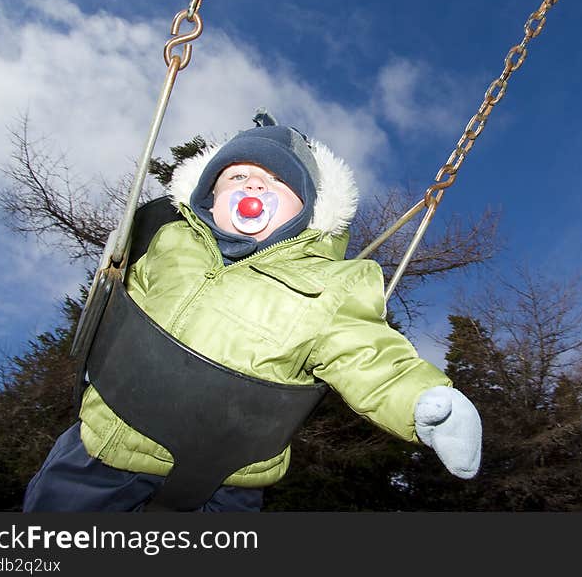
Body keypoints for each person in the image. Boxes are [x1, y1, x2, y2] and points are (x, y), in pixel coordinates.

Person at [24, 114, 482, 512]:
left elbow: (367, 354)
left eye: (277, 182)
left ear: (308, 213)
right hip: (102, 450)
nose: (254, 186)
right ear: (208, 197)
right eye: (237, 178)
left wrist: (422, 402)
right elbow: (128, 300)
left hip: (224, 483)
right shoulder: (168, 243)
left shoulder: (330, 285)